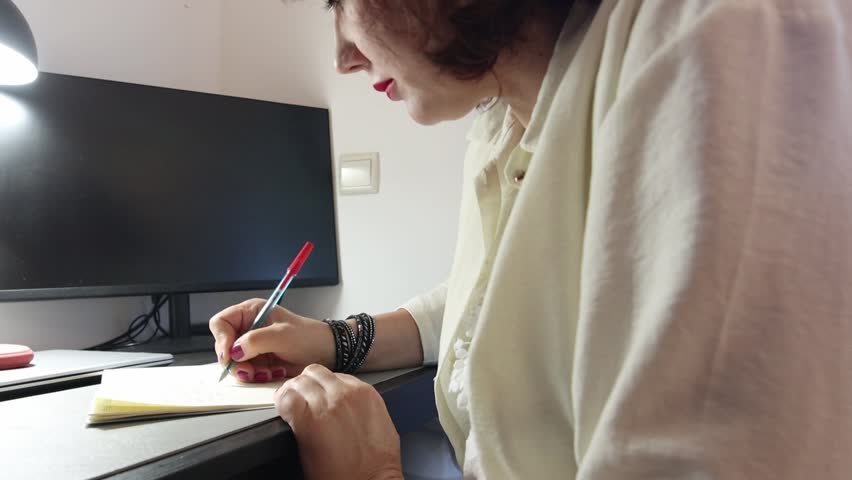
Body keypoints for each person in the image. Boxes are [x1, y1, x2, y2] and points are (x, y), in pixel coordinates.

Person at [209, 0, 852, 478]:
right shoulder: (503, 120)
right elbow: (494, 300)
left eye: (341, 4)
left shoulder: (717, 35)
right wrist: (335, 338)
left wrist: (373, 474)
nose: (341, 57)